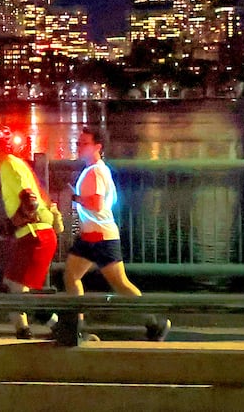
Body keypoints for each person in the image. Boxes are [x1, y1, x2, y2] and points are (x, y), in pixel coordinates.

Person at [64, 128, 169, 342]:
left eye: (84, 143)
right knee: (71, 276)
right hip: (91, 236)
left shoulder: (95, 172)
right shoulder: (96, 170)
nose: (79, 146)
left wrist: (73, 197)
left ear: (97, 147)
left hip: (100, 237)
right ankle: (78, 326)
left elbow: (96, 203)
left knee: (120, 284)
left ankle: (155, 323)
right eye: (79, 142)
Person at [0, 124, 60, 339]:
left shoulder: (9, 166)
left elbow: (30, 201)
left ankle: (61, 327)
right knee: (10, 289)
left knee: (18, 293)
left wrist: (12, 225)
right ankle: (23, 332)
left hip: (36, 237)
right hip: (32, 235)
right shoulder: (14, 164)